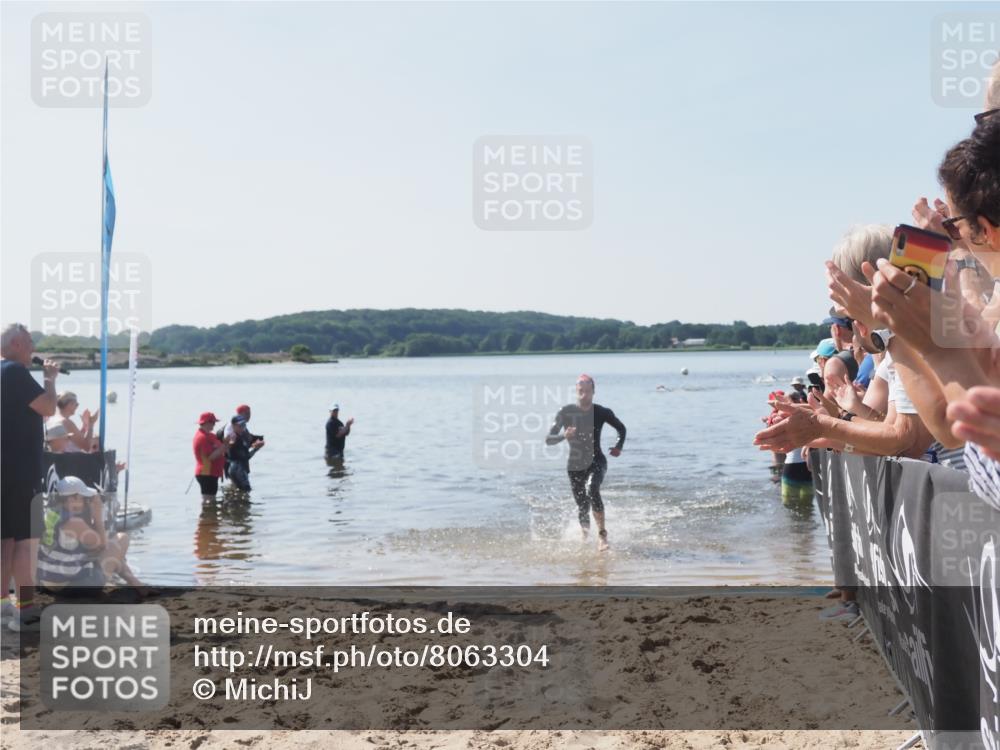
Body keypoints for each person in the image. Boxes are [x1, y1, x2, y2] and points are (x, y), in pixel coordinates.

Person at [1, 323, 60, 631]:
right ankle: (26, 611)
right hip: (20, 469)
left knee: (5, 539)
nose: (34, 347)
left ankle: (1, 609)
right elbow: (48, 407)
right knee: (25, 539)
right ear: (15, 343)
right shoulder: (14, 372)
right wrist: (49, 380)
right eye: (30, 341)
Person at [545, 374, 626, 552]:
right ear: (576, 391)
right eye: (581, 391)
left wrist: (619, 446)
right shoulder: (565, 412)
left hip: (597, 460)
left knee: (592, 490)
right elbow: (549, 439)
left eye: (588, 391)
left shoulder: (602, 412)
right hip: (574, 465)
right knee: (582, 505)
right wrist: (563, 436)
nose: (584, 395)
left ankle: (602, 535)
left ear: (593, 392)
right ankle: (584, 536)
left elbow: (621, 428)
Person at [37, 476, 145, 593]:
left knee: (109, 552)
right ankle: (136, 585)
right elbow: (103, 545)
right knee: (122, 539)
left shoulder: (51, 513)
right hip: (66, 586)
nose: (86, 502)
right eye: (83, 498)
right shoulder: (73, 522)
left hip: (47, 580)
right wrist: (98, 515)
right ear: (72, 499)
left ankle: (137, 584)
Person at [193, 412, 230, 502]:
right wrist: (224, 447)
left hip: (212, 473)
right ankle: (206, 515)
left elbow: (222, 448)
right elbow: (210, 457)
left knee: (212, 502)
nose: (214, 425)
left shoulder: (211, 435)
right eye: (213, 422)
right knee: (208, 501)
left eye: (214, 422)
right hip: (206, 473)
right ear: (206, 423)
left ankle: (209, 516)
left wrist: (226, 445)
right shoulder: (202, 437)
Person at [225, 415, 264, 492]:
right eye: (240, 425)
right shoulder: (234, 438)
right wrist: (256, 449)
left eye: (244, 425)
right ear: (233, 426)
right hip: (237, 469)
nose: (242, 427)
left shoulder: (242, 435)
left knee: (239, 492)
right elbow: (246, 456)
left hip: (238, 467)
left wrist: (257, 444)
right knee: (246, 490)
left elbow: (250, 442)